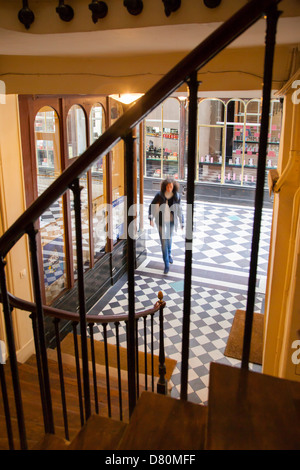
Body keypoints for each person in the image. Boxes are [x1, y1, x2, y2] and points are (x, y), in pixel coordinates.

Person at [149, 177, 184, 274]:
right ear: (165, 186)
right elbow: (151, 206)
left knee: (169, 238)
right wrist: (150, 219)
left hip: (171, 221)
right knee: (164, 242)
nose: (169, 188)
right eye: (168, 186)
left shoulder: (176, 196)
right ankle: (166, 264)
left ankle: (169, 254)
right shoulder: (159, 195)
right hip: (160, 221)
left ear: (174, 187)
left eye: (171, 187)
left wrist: (182, 222)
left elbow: (179, 210)